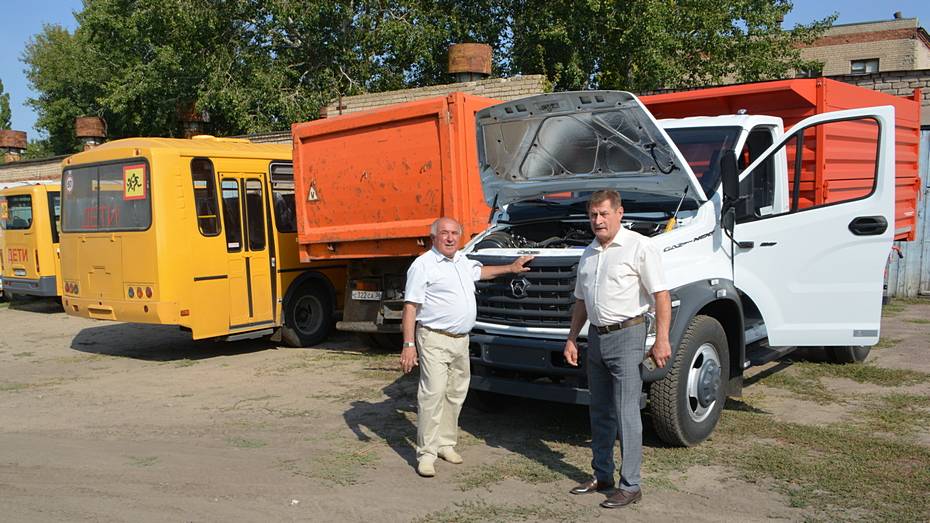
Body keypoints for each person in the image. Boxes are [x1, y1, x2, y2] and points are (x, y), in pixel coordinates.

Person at [563, 189, 671, 509]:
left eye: (604, 214)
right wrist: (572, 338)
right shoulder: (589, 253)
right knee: (600, 411)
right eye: (593, 215)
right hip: (596, 337)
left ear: (619, 213)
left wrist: (662, 339)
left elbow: (661, 296)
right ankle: (603, 475)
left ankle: (631, 484)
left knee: (626, 413)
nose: (598, 220)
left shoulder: (640, 247)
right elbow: (582, 301)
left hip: (628, 334)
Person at [400, 217, 533, 477]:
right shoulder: (423, 265)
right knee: (433, 394)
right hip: (434, 338)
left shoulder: (461, 260)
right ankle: (426, 454)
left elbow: (482, 272)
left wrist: (512, 267)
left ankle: (445, 444)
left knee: (456, 393)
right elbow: (410, 307)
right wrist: (408, 344)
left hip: (461, 340)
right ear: (434, 237)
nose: (449, 238)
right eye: (444, 234)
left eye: (454, 234)